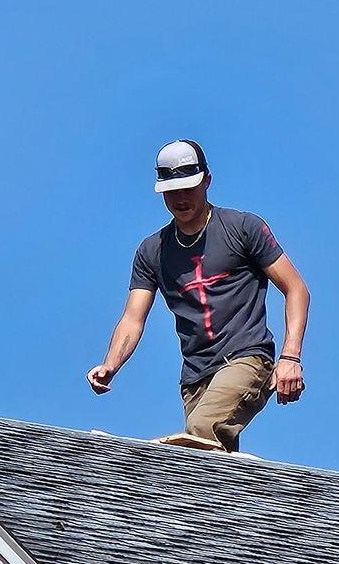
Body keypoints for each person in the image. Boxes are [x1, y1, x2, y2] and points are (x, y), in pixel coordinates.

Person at [87, 140, 309, 452]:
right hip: (194, 379)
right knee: (209, 469)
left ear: (206, 181)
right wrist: (110, 364)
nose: (181, 198)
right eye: (172, 190)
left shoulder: (242, 228)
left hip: (246, 358)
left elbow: (296, 288)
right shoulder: (153, 251)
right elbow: (132, 319)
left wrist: (290, 357)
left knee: (200, 433)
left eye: (188, 188)